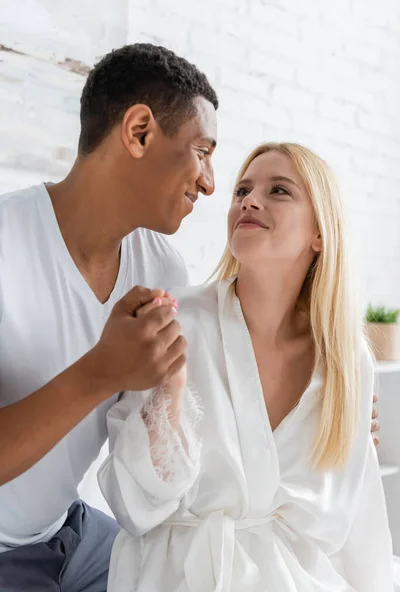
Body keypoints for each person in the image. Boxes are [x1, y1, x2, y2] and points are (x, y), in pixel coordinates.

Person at [99, 142, 394, 591]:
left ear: (320, 232)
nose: (248, 201)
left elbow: (361, 528)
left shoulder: (345, 358)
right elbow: (134, 504)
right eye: (241, 190)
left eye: (278, 190)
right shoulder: (177, 322)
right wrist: (171, 394)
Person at [0, 43, 218, 592]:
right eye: (201, 150)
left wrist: (323, 398)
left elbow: (175, 419)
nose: (210, 181)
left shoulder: (161, 265)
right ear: (140, 131)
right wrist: (102, 371)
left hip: (71, 532)